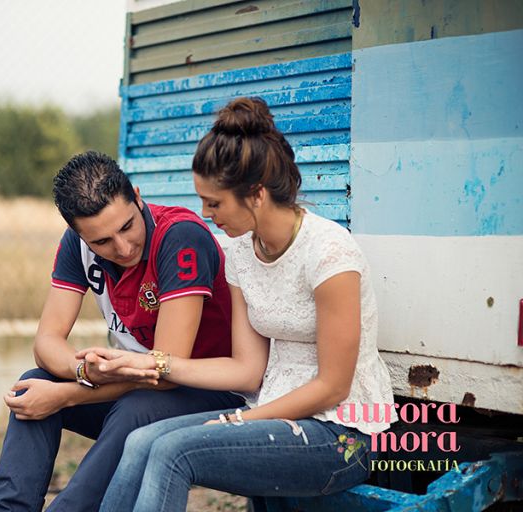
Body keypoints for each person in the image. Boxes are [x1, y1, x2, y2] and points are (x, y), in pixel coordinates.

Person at [78, 97, 396, 512]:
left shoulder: (330, 254)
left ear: (257, 194)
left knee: (174, 453)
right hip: (268, 411)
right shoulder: (240, 252)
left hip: (339, 433)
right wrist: (150, 365)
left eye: (215, 203)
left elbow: (332, 387)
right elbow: (247, 370)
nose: (206, 214)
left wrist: (241, 420)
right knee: (141, 440)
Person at [0, 151, 244, 512]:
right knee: (33, 381)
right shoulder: (77, 244)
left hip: (212, 390)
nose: (122, 248)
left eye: (126, 227)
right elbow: (46, 342)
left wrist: (68, 395)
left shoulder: (180, 237)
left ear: (137, 197)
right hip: (140, 386)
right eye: (102, 242)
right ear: (79, 234)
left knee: (135, 407)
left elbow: (165, 372)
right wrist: (83, 372)